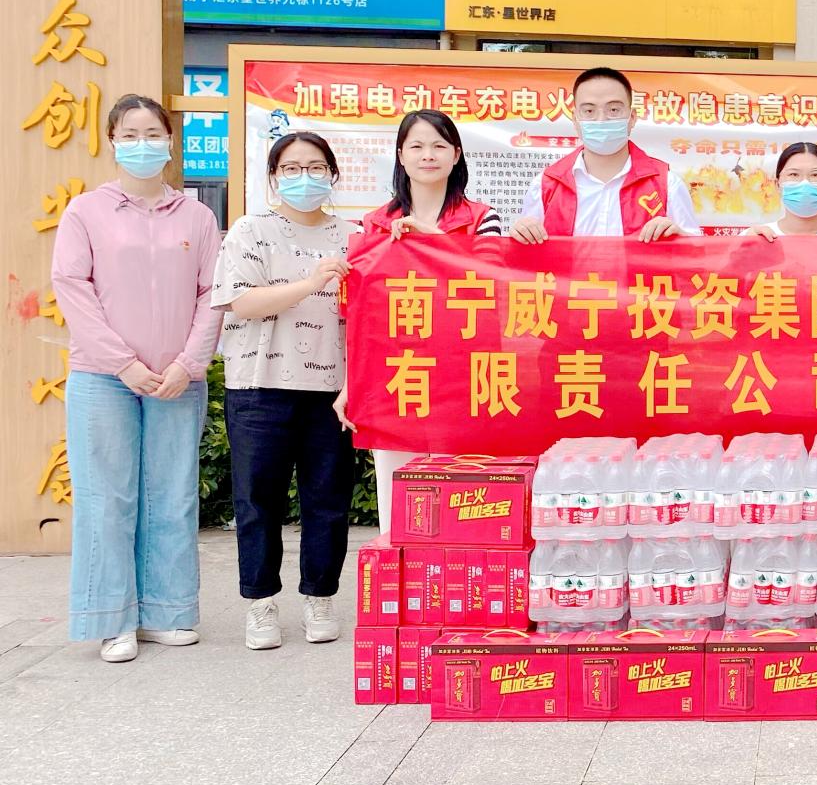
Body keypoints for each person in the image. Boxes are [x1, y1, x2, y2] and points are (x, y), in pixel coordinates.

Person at [50, 95, 221, 663]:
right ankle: (112, 620)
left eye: (153, 134)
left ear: (170, 142)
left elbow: (212, 296)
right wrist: (123, 363)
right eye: (130, 134)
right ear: (113, 141)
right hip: (103, 378)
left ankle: (169, 611)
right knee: (107, 498)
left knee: (172, 495)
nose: (142, 144)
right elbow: (72, 288)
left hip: (177, 379)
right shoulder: (86, 212)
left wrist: (187, 364)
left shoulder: (197, 217)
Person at [212, 132, 358, 651]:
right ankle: (261, 602)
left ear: (333, 175)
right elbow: (241, 303)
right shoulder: (250, 230)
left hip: (331, 390)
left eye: (316, 167)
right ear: (274, 177)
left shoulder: (354, 236)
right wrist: (313, 282)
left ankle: (320, 596)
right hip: (259, 386)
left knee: (328, 500)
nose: (305, 177)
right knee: (258, 500)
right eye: (291, 168)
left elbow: (370, 316)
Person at [358, 109, 505, 531]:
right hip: (398, 378)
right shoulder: (374, 225)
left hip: (466, 375)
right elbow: (365, 315)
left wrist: (434, 241)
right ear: (400, 155)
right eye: (417, 146)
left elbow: (494, 285)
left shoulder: (483, 218)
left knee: (463, 497)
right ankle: (400, 571)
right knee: (399, 503)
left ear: (456, 155)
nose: (428, 155)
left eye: (439, 145)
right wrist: (354, 386)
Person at [508, 66, 699, 242]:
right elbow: (527, 258)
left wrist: (680, 237)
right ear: (575, 119)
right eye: (589, 110)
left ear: (632, 118)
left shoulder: (667, 184)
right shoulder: (546, 185)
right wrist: (522, 233)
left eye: (613, 109)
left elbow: (696, 255)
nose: (601, 119)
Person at [749, 141, 817, 238]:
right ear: (777, 184)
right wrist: (746, 244)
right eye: (793, 174)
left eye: (816, 175)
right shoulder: (756, 236)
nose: (805, 184)